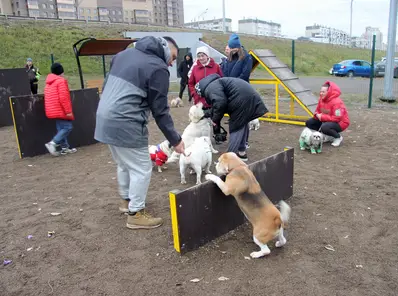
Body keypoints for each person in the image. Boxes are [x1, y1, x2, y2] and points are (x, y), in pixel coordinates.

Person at [94, 36, 185, 230]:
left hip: (103, 117)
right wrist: (175, 140)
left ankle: (127, 202)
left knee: (124, 164)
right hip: (126, 121)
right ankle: (136, 214)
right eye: (173, 56)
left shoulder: (123, 55)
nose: (172, 62)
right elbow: (160, 110)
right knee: (142, 168)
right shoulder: (158, 67)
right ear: (165, 50)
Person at [195, 73, 268, 162]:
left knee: (236, 127)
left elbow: (220, 103)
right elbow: (218, 105)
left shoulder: (210, 88)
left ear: (201, 90)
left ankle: (228, 159)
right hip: (248, 97)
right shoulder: (216, 83)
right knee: (243, 124)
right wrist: (209, 114)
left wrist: (214, 119)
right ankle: (242, 153)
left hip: (242, 100)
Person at [44, 63, 77, 156]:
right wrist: (68, 112)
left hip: (52, 110)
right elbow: (64, 98)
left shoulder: (48, 83)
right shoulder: (61, 81)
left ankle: (64, 147)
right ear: (61, 72)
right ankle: (53, 143)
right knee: (67, 127)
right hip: (60, 109)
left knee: (61, 128)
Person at [306, 81, 350, 147]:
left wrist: (322, 117)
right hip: (327, 120)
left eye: (323, 92)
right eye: (320, 91)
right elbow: (317, 111)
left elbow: (337, 118)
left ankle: (337, 137)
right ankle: (322, 136)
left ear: (329, 92)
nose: (321, 93)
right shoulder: (321, 99)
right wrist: (316, 115)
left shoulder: (337, 102)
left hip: (341, 122)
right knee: (309, 122)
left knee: (325, 127)